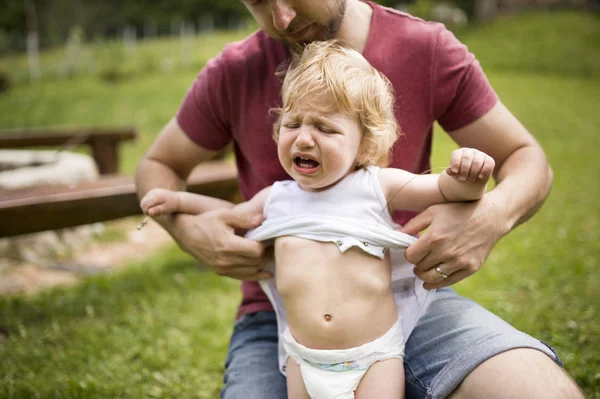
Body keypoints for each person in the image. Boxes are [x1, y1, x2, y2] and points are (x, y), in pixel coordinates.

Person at [135, 1, 584, 398]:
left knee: (535, 388)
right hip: (281, 323)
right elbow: (158, 165)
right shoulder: (232, 72)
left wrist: (490, 215)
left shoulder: (425, 49)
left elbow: (526, 159)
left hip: (409, 301)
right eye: (257, 1)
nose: (281, 17)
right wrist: (188, 230)